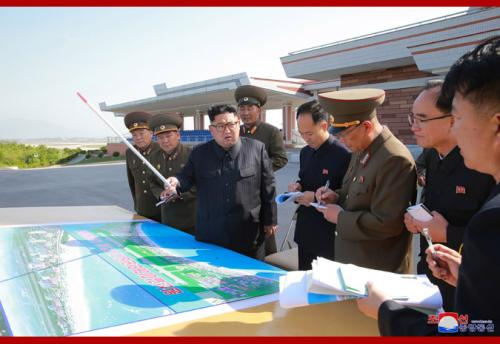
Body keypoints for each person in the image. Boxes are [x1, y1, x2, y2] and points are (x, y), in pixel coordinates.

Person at [357, 36, 500, 336]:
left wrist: (388, 312)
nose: (457, 130)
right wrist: (471, 275)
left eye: (459, 117)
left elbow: (474, 329)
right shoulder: (433, 160)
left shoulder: (492, 220)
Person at [405, 80, 495, 311]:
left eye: (422, 119)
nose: (414, 127)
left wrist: (447, 234)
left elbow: (491, 237)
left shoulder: (482, 164)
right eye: (412, 118)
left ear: (453, 119)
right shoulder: (433, 157)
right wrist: (419, 221)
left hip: (471, 287)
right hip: (433, 274)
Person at [314, 88, 416, 273]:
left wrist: (339, 217)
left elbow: (388, 223)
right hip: (355, 263)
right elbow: (355, 193)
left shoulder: (394, 158)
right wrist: (335, 196)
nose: (342, 141)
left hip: (377, 269)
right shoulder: (362, 147)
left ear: (367, 126)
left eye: (345, 135)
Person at [163, 104, 278, 259]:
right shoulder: (199, 153)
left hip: (248, 233)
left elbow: (268, 188)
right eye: (220, 126)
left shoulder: (257, 149)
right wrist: (175, 181)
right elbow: (186, 177)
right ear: (211, 130)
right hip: (211, 233)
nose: (227, 130)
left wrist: (270, 220)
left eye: (231, 124)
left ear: (238, 124)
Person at [287, 100, 351, 270]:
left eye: (309, 133)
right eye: (301, 134)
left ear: (324, 126)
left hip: (328, 235)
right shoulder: (305, 152)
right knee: (304, 281)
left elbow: (347, 195)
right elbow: (305, 179)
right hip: (305, 230)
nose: (305, 139)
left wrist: (318, 197)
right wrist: (298, 188)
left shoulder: (343, 154)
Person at [236, 84, 288, 256]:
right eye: (242, 108)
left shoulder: (271, 132)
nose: (245, 112)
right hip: (240, 194)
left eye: (250, 108)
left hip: (262, 193)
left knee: (265, 241)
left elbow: (281, 158)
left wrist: (257, 171)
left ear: (259, 109)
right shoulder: (237, 132)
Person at [148, 114, 196, 234]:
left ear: (178, 135)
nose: (165, 141)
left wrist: (180, 194)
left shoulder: (192, 154)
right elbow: (152, 181)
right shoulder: (154, 157)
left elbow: (201, 183)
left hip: (192, 218)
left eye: (168, 136)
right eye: (160, 137)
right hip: (168, 218)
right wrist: (161, 194)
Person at [124, 111, 161, 222]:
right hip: (142, 209)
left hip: (162, 210)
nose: (138, 137)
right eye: (134, 134)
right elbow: (132, 181)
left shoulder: (161, 150)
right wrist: (137, 205)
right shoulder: (130, 152)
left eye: (141, 133)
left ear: (151, 133)